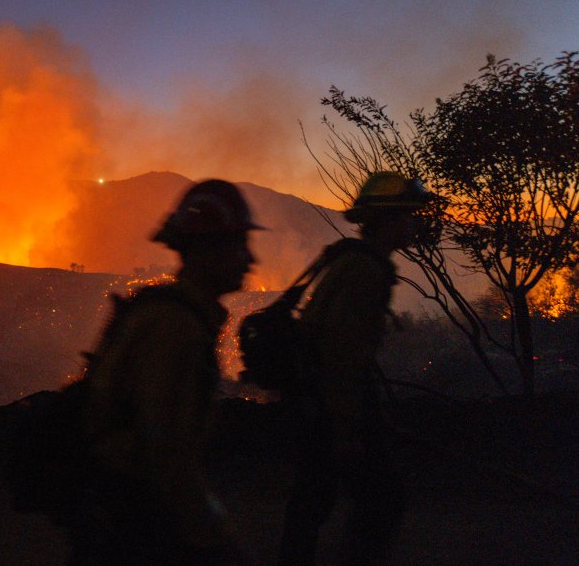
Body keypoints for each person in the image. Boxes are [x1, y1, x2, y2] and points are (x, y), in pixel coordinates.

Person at [74, 180, 260, 564]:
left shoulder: (175, 315)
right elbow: (166, 449)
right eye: (238, 245)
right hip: (133, 513)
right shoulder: (175, 326)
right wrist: (212, 540)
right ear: (207, 251)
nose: (249, 260)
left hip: (120, 506)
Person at [278, 171, 432, 565]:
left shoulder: (353, 261)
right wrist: (347, 427)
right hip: (330, 407)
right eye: (408, 216)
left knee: (312, 503)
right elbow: (343, 354)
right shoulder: (365, 271)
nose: (414, 224)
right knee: (380, 502)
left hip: (315, 402)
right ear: (389, 220)